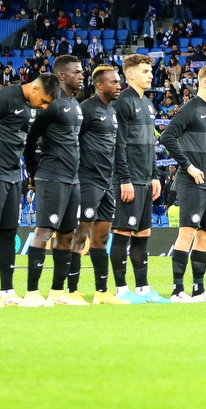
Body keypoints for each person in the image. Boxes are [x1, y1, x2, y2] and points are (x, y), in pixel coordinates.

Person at [0, 75, 59, 308]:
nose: (44, 106)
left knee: (9, 232)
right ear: (35, 87)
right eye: (45, 101)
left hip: (11, 175)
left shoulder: (30, 107)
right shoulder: (5, 97)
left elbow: (24, 144)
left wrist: (30, 172)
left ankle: (7, 291)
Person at [23, 55, 86, 307]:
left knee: (67, 236)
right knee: (44, 231)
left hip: (72, 178)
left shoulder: (75, 104)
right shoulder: (52, 104)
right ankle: (31, 293)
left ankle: (57, 292)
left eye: (82, 71)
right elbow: (30, 139)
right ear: (62, 75)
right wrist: (33, 171)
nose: (82, 75)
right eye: (77, 71)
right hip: (51, 175)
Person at [159, 64, 206, 303]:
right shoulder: (190, 109)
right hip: (191, 182)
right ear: (205, 83)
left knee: (205, 235)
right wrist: (188, 165)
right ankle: (178, 290)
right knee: (187, 233)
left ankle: (199, 290)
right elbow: (167, 136)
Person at [69, 64, 129, 305]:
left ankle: (101, 292)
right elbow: (72, 141)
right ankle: (71, 290)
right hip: (87, 181)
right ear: (100, 85)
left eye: (119, 82)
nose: (119, 86)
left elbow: (117, 149)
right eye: (114, 82)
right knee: (80, 235)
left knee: (101, 238)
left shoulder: (112, 112)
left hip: (107, 183)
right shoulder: (87, 109)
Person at [110, 54, 167, 304]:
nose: (150, 75)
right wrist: (124, 179)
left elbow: (150, 145)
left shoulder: (148, 104)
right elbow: (117, 144)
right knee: (123, 231)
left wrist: (154, 175)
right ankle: (122, 290)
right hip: (128, 178)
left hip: (145, 178)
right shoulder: (123, 102)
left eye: (150, 71)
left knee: (142, 233)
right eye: (144, 71)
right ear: (130, 74)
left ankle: (142, 288)